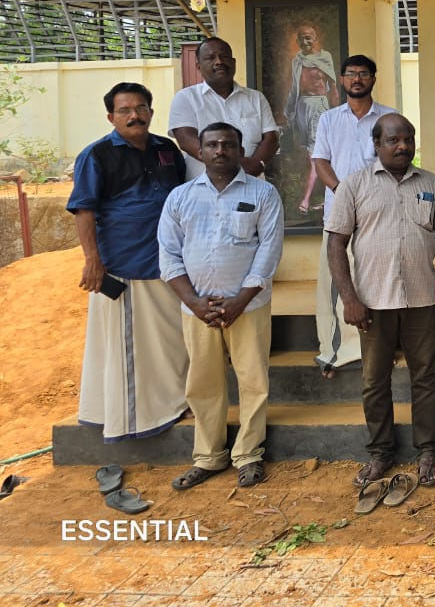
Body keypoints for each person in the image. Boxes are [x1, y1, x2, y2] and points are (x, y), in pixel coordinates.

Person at [325, 113, 435, 489]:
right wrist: (349, 298)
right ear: (377, 144)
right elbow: (336, 244)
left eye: (408, 139)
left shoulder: (430, 183)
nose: (403, 147)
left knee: (426, 376)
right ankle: (380, 452)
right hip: (373, 300)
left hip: (420, 298)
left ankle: (429, 449)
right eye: (393, 140)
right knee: (374, 380)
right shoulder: (353, 186)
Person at [158, 122, 284, 490]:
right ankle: (209, 456)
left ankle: (248, 455)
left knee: (253, 381)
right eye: (212, 144)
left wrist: (241, 300)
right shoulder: (180, 197)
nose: (220, 151)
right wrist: (193, 302)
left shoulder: (263, 193)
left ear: (240, 149)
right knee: (203, 384)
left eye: (228, 144)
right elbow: (168, 255)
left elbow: (269, 251)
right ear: (200, 150)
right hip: (197, 309)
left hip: (249, 305)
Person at [66, 83, 189, 442]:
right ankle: (138, 419)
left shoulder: (166, 149)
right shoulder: (97, 155)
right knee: (132, 350)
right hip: (125, 264)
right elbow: (84, 210)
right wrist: (93, 260)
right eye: (125, 111)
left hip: (168, 262)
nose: (134, 116)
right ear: (111, 117)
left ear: (151, 112)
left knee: (171, 341)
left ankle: (174, 403)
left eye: (141, 108)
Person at [310, 55, 397, 378]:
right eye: (350, 74)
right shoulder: (329, 120)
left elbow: (399, 161)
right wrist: (343, 193)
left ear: (374, 78)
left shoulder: (389, 117)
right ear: (342, 80)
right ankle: (335, 352)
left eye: (363, 74)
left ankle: (381, 350)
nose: (357, 79)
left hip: (381, 214)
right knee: (336, 285)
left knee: (380, 284)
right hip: (340, 216)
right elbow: (320, 162)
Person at [169, 37, 279, 180]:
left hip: (252, 185)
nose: (219, 61)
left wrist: (257, 164)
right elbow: (185, 139)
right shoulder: (185, 98)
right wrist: (231, 164)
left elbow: (271, 138)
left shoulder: (255, 98)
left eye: (224, 56)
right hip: (204, 189)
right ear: (198, 66)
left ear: (233, 62)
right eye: (210, 58)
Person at [283, 22, 340, 214]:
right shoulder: (297, 60)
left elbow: (333, 86)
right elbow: (294, 89)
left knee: (315, 156)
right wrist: (288, 111)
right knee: (313, 154)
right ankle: (327, 196)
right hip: (302, 108)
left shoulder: (325, 58)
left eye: (309, 37)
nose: (305, 41)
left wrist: (337, 112)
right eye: (301, 38)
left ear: (315, 39)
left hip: (319, 107)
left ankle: (306, 200)